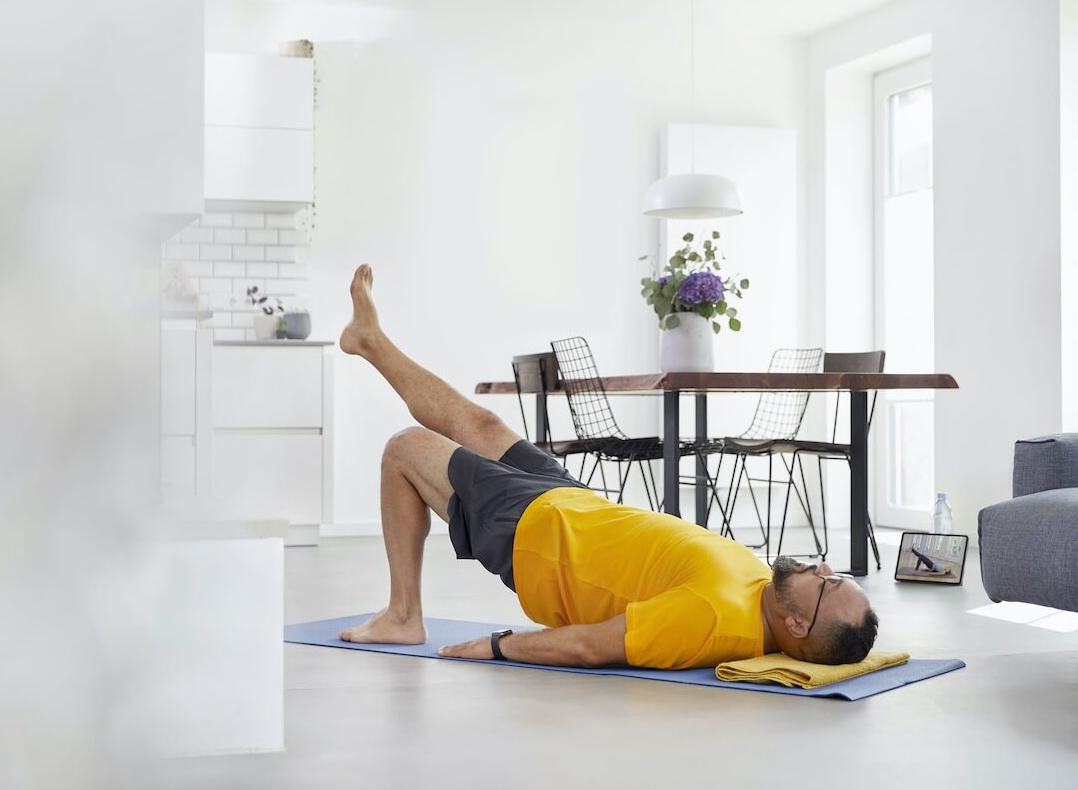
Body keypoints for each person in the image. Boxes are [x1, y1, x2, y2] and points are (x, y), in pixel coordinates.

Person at [337, 264, 879, 668]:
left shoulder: (712, 620)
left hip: (536, 540)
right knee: (480, 425)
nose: (824, 568)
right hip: (574, 505)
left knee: (406, 448)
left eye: (828, 585)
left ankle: (404, 615)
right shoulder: (768, 590)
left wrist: (501, 647)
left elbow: (592, 647)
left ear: (796, 624)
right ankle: (370, 341)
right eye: (837, 574)